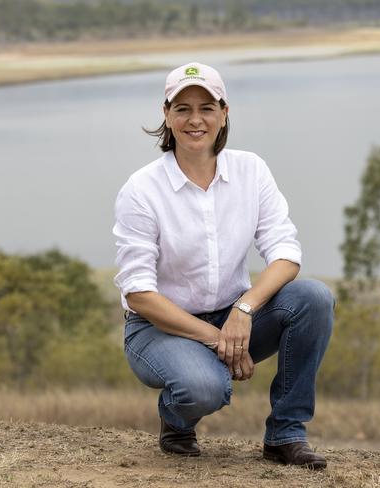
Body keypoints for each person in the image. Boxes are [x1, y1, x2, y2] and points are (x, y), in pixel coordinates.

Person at [113, 62, 334, 470]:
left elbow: (286, 253)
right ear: (166, 114)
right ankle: (176, 419)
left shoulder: (251, 171)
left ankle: (285, 434)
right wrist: (216, 338)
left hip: (233, 316)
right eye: (182, 109)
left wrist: (243, 310)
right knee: (203, 388)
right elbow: (139, 293)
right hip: (158, 329)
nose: (195, 120)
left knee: (313, 299)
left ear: (224, 113)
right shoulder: (141, 190)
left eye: (206, 108)